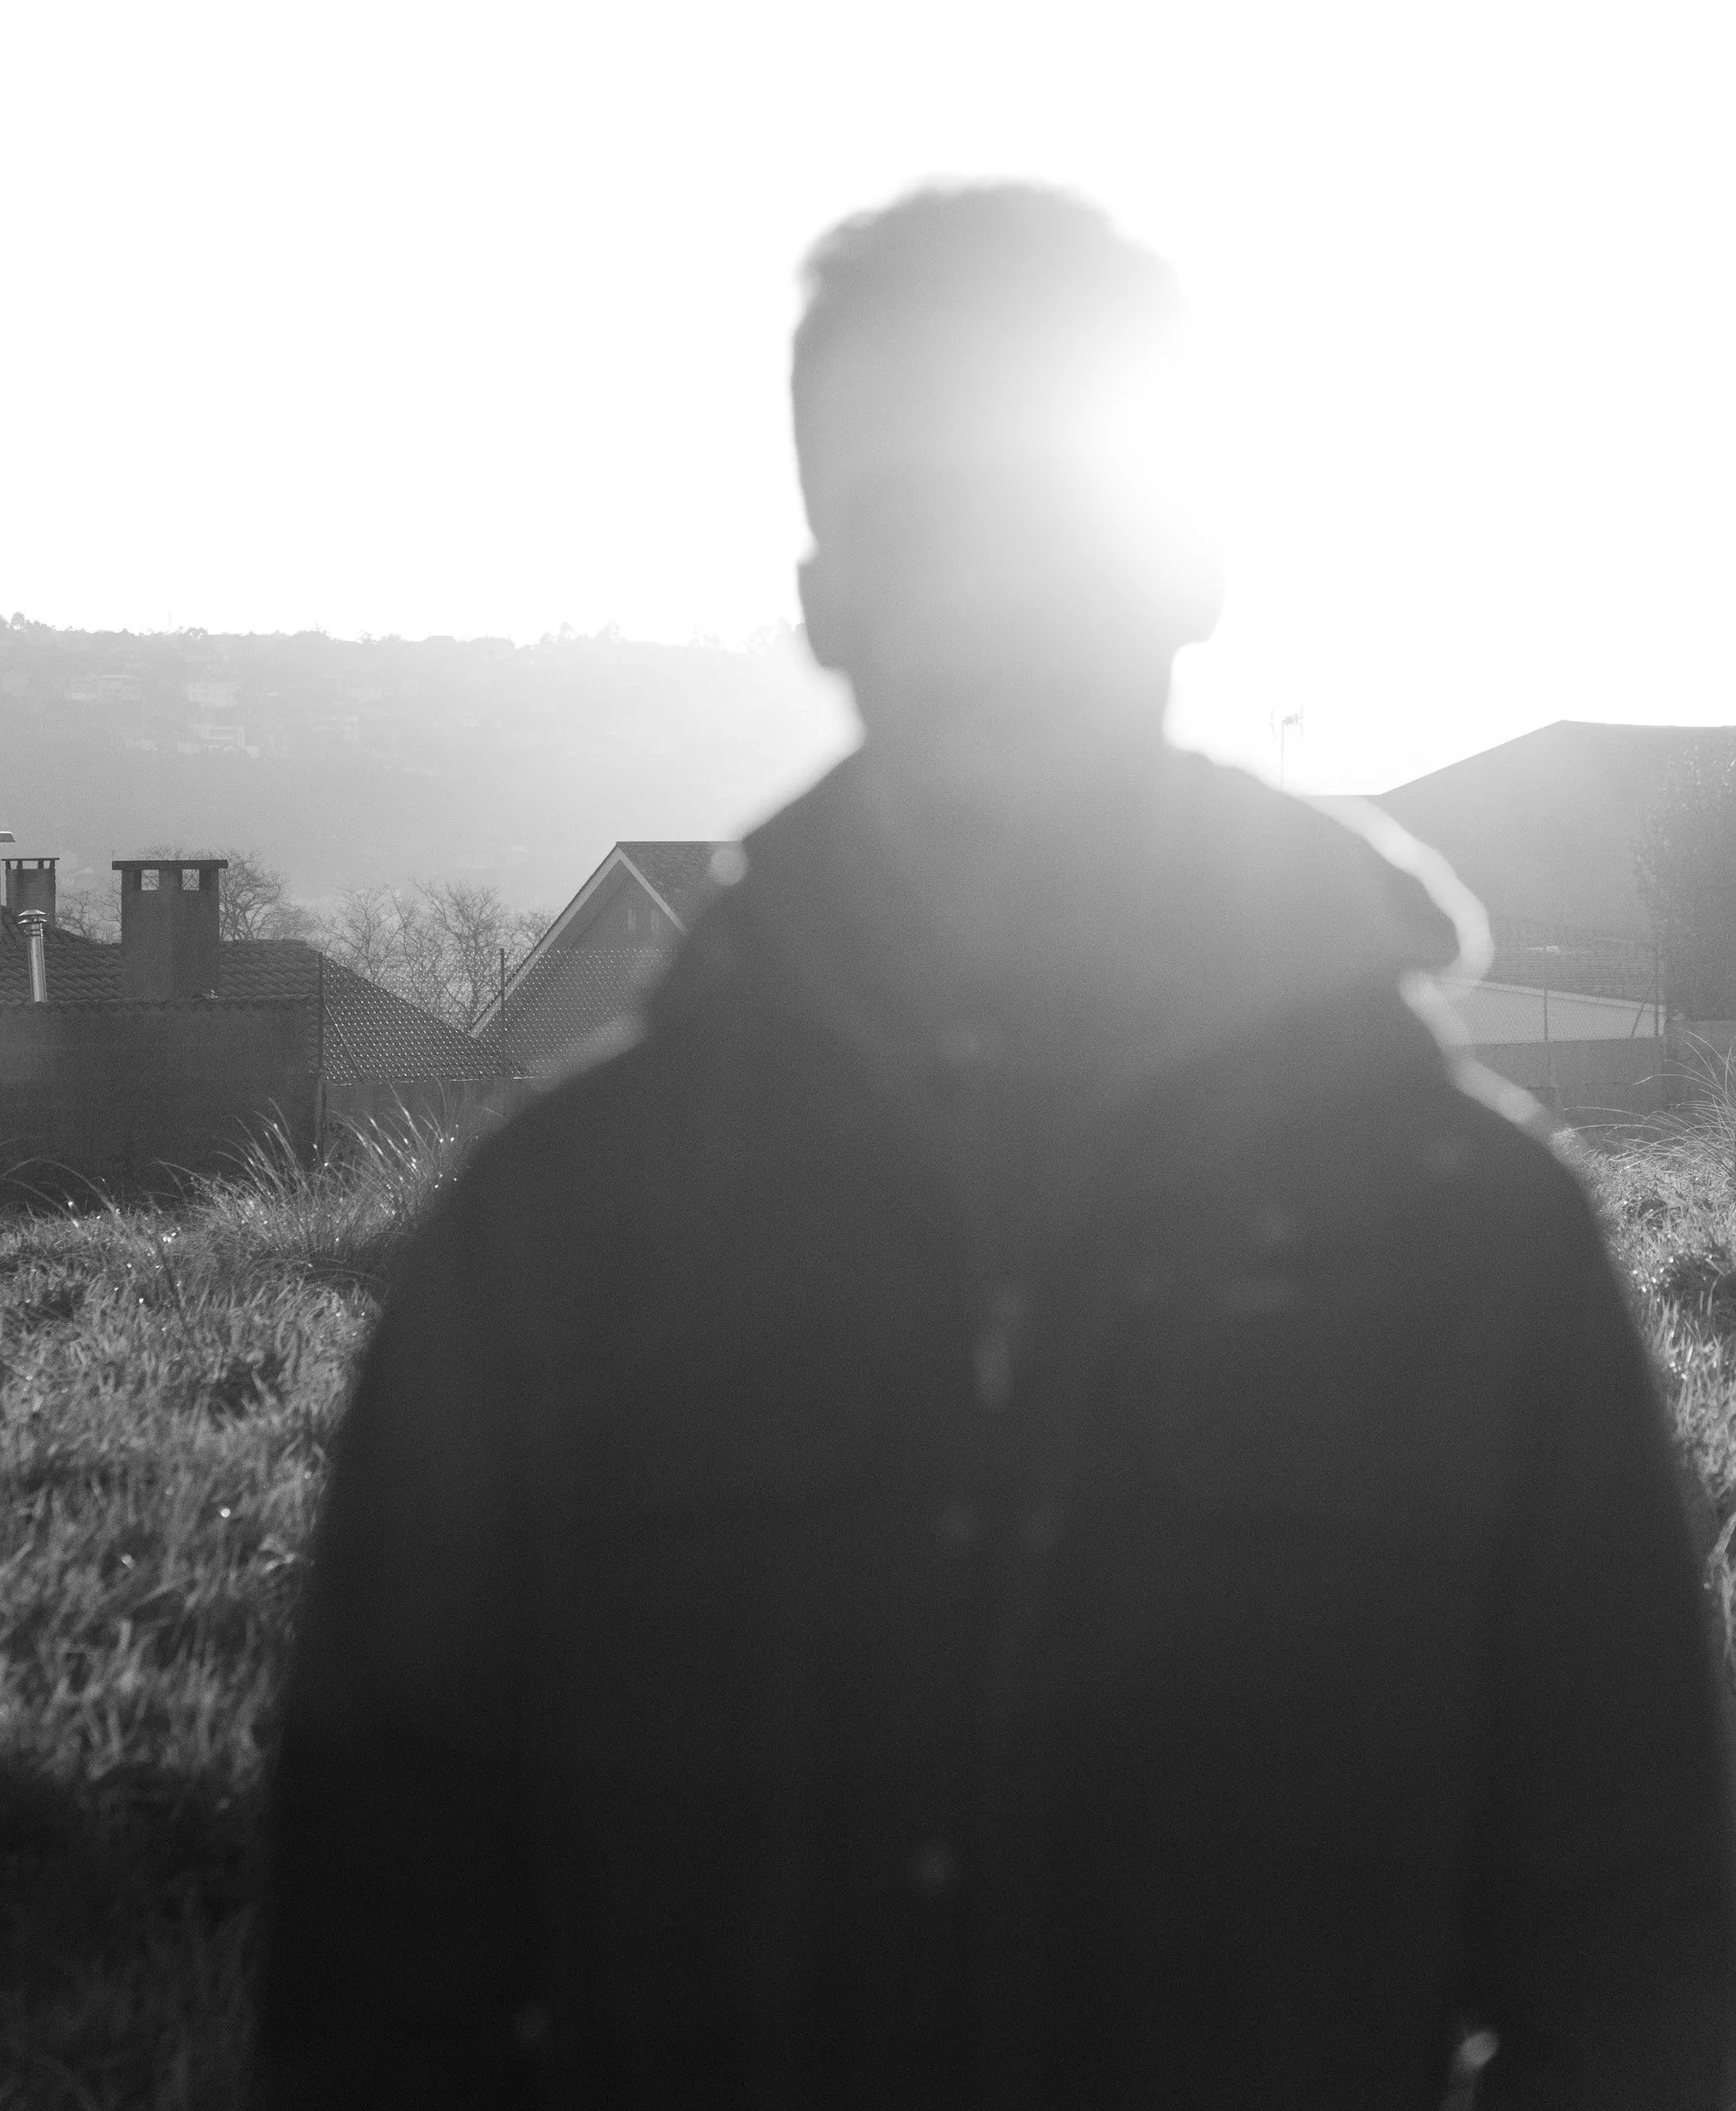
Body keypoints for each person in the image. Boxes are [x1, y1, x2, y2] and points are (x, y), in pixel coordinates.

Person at [255, 182, 1734, 2107]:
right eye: (904, 522)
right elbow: (374, 1987)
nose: (980, 596)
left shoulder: (1478, 1248)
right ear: (820, 604)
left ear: (1188, 559)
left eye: (1047, 515)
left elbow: (1642, 1973)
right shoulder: (558, 1238)